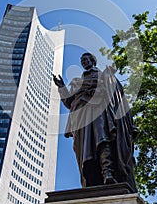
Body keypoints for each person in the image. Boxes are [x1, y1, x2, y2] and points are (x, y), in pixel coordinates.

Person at [53, 52, 138, 191]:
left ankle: (107, 172)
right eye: (82, 60)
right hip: (82, 116)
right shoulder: (77, 81)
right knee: (86, 148)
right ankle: (93, 177)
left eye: (86, 59)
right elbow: (69, 102)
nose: (84, 62)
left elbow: (114, 93)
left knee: (102, 138)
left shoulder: (103, 75)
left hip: (99, 110)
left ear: (93, 61)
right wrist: (62, 87)